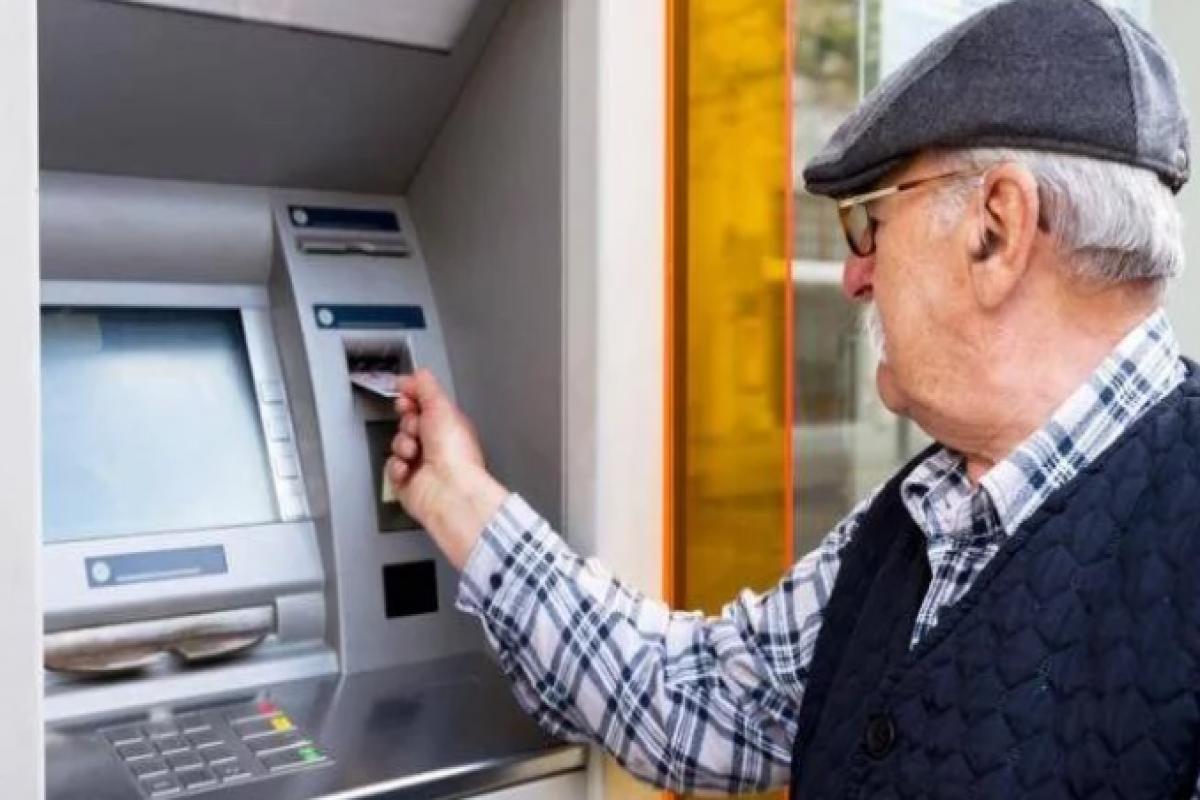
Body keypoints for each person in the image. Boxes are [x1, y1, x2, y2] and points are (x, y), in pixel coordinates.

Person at [386, 0, 1200, 797]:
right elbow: (696, 699)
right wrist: (458, 497)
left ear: (997, 229)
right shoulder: (924, 515)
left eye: (872, 223)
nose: (854, 275)